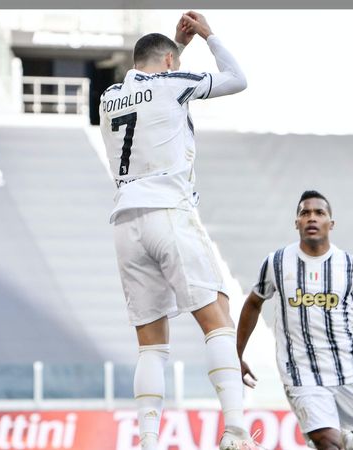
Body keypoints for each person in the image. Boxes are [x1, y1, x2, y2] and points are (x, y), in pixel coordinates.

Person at [98, 11, 254, 450]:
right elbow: (236, 79)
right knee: (217, 318)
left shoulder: (109, 95)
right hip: (168, 209)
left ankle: (148, 440)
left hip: (125, 222)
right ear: (169, 62)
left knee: (150, 343)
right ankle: (237, 430)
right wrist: (207, 35)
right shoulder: (173, 83)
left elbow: (152, 85)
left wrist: (174, 48)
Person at [237, 190, 353, 450]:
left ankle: (348, 441)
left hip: (349, 372)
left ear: (331, 223)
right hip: (302, 375)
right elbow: (253, 304)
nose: (311, 218)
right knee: (327, 443)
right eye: (304, 213)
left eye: (319, 213)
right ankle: (337, 439)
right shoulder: (276, 263)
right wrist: (236, 354)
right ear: (296, 222)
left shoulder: (351, 265)